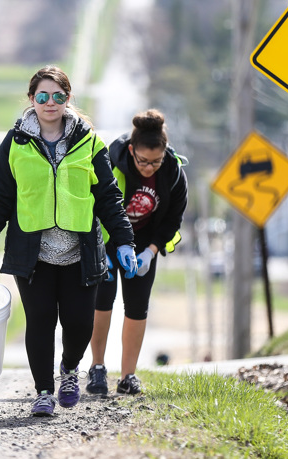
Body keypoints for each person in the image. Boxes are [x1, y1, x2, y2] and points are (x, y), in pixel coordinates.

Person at [0, 66, 137, 417]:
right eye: (42, 96)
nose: (50, 103)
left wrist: (123, 241)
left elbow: (108, 196)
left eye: (58, 96)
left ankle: (70, 370)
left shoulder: (89, 142)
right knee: (41, 321)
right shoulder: (15, 143)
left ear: (67, 99)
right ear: (31, 99)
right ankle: (44, 392)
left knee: (79, 324)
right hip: (33, 254)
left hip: (81, 252)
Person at [86, 109, 188, 396]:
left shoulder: (173, 173)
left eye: (155, 162)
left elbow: (173, 219)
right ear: (132, 150)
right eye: (143, 161)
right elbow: (91, 207)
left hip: (143, 243)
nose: (148, 168)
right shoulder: (108, 162)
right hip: (107, 240)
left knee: (137, 307)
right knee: (102, 302)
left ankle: (128, 375)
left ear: (165, 153)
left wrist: (150, 253)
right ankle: (97, 367)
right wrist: (99, 249)